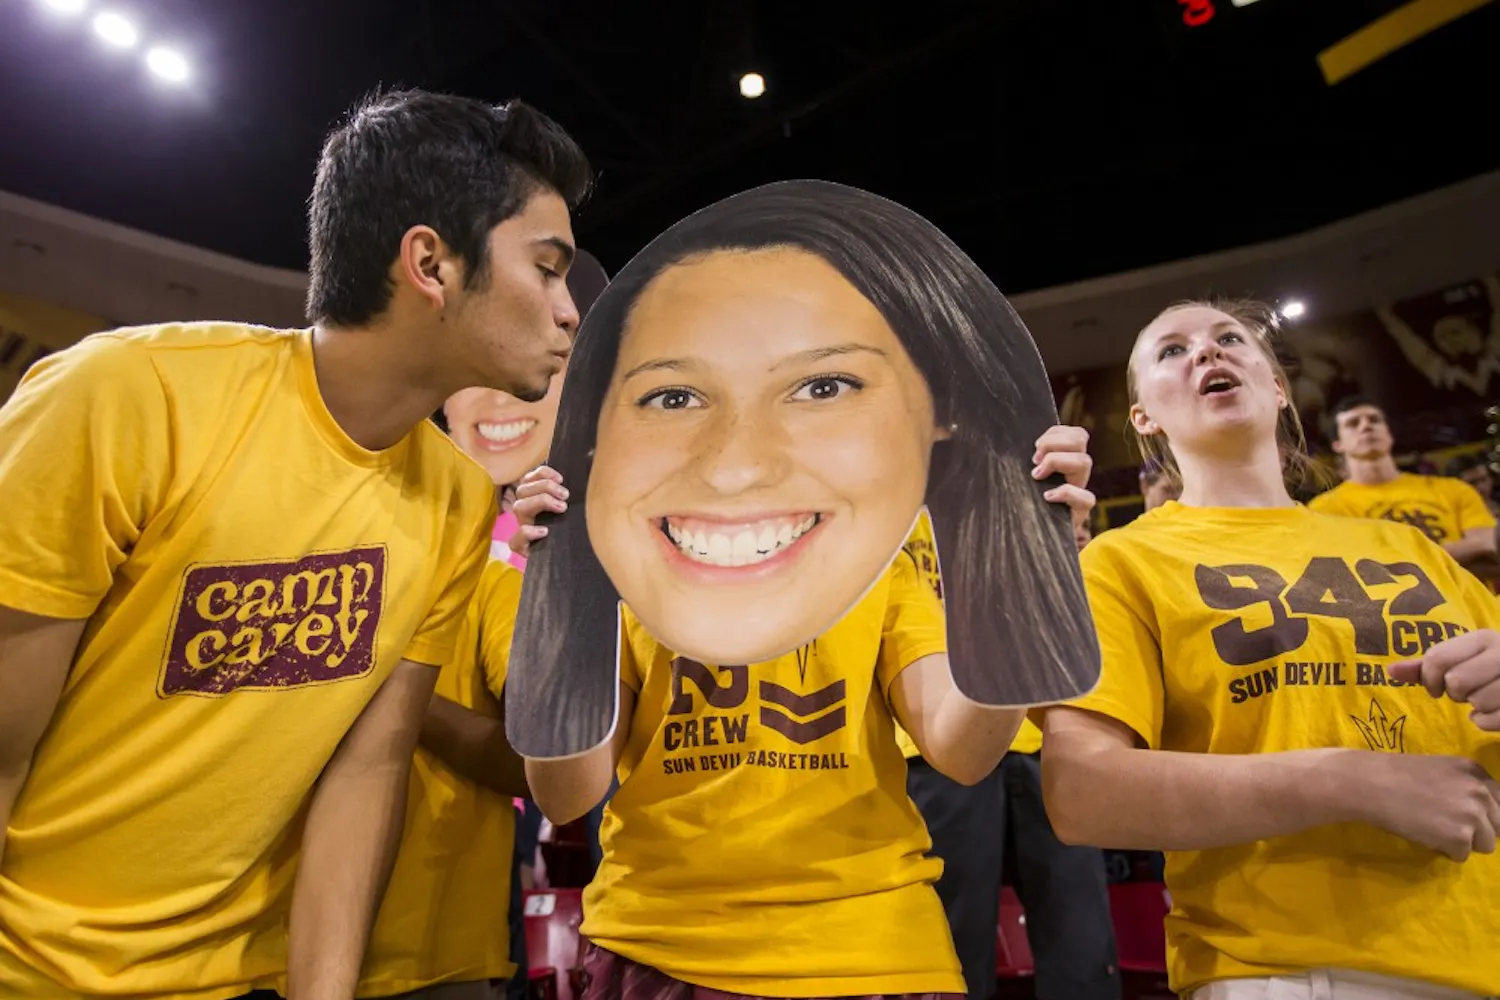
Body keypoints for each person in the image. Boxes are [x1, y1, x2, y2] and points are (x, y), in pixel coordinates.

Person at [0, 88, 590, 1000]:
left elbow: (369, 769)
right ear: (430, 261)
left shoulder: (457, 500)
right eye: (548, 270)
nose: (568, 313)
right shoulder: (128, 396)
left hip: (241, 977)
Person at [504, 178, 1098, 999]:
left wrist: (1023, 573)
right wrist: (557, 599)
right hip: (658, 951)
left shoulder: (881, 563)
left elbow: (962, 752)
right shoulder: (624, 565)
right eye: (676, 396)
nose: (741, 452)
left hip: (876, 954)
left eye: (816, 388)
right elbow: (568, 792)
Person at [1039, 299, 1500, 1000]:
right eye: (1172, 350)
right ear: (1144, 418)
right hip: (1293, 969)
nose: (1206, 352)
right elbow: (1080, 792)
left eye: (1229, 338)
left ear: (1278, 386)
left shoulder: (1411, 550)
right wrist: (1348, 781)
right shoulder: (1121, 561)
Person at [901, 515, 1120, 1000]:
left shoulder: (1015, 480)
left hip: (1043, 733)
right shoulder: (884, 490)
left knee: (1082, 947)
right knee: (954, 948)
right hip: (933, 744)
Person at [1310, 396, 1498, 584]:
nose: (1366, 426)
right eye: (1353, 423)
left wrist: (1396, 563)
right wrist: (1459, 557)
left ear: (1389, 434)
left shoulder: (1453, 489)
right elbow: (1354, 575)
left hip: (1477, 608)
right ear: (1337, 444)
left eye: (1374, 420)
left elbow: (1485, 545)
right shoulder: (1324, 510)